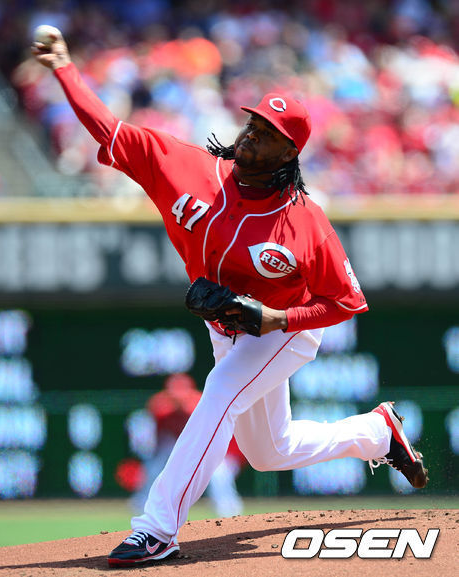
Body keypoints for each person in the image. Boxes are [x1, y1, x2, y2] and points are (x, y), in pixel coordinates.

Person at [32, 32, 429, 567]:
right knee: (269, 451)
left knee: (218, 393)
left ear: (289, 152)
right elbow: (109, 129)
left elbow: (345, 301)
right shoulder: (187, 167)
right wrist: (64, 68)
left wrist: (278, 317)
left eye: (267, 134)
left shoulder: (304, 223)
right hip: (228, 331)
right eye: (253, 124)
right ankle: (377, 432)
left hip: (285, 332)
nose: (251, 136)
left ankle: (157, 529)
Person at [130, 373, 245, 518]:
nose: (178, 397)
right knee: (155, 467)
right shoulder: (161, 406)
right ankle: (143, 503)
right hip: (177, 443)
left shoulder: (201, 404)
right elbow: (159, 434)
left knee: (218, 473)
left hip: (207, 444)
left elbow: (214, 434)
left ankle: (227, 507)